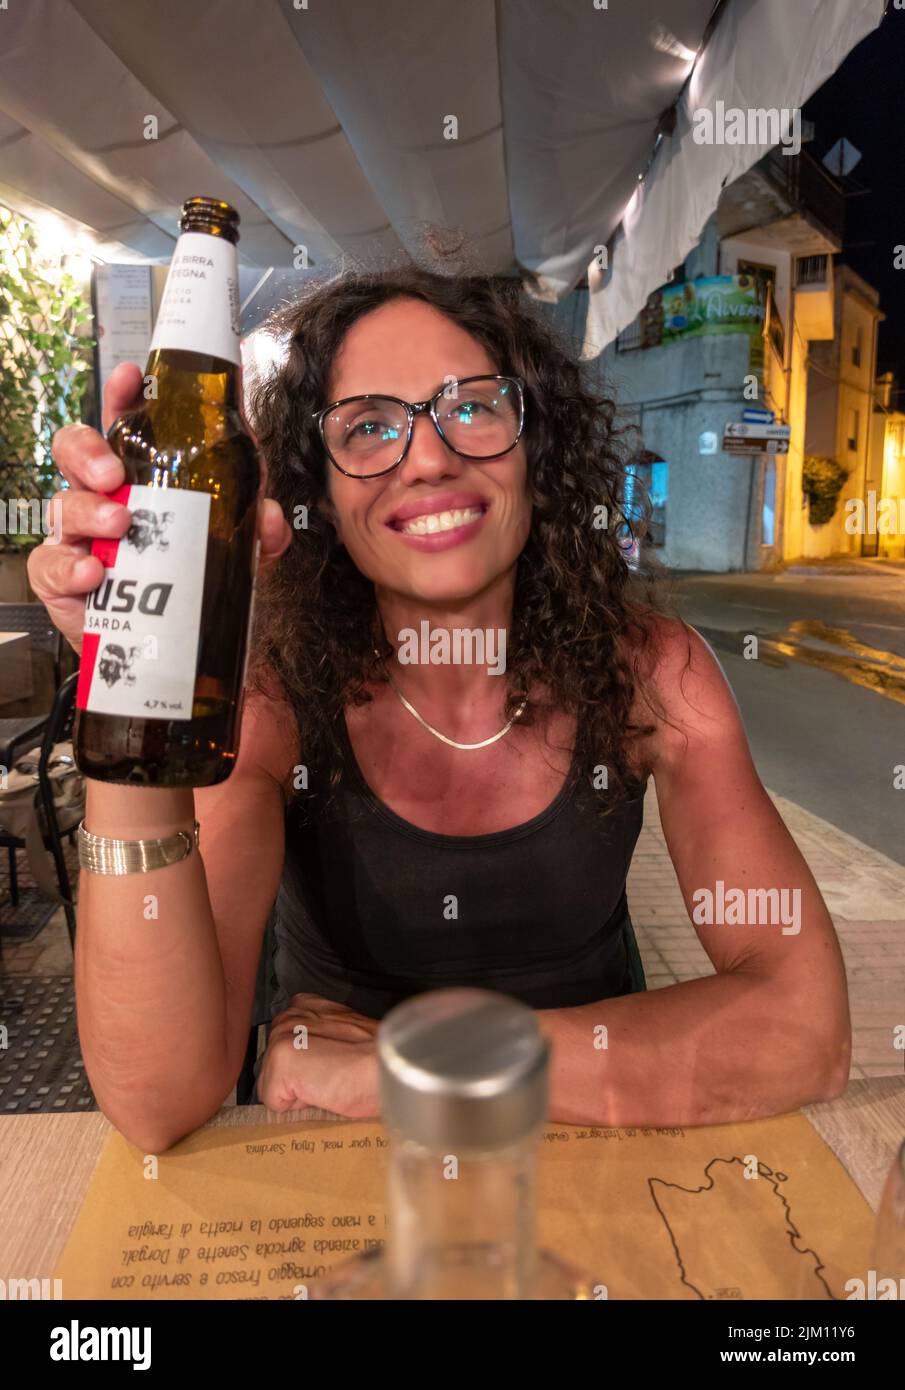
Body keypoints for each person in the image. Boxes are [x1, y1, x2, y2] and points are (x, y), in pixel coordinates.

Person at [29, 265, 850, 1152]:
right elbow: (157, 1100)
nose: (427, 457)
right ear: (319, 494)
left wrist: (415, 1065)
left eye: (472, 406)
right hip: (343, 1166)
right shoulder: (274, 695)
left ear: (539, 450)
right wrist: (131, 679)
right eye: (369, 427)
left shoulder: (652, 671)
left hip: (586, 1158)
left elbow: (804, 1029)